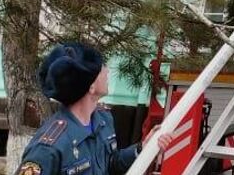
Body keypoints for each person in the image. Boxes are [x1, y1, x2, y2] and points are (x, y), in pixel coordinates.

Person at [15, 43, 174, 175]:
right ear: (90, 86)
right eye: (101, 67)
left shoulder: (103, 119)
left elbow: (110, 164)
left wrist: (142, 148)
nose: (107, 70)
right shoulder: (49, 147)